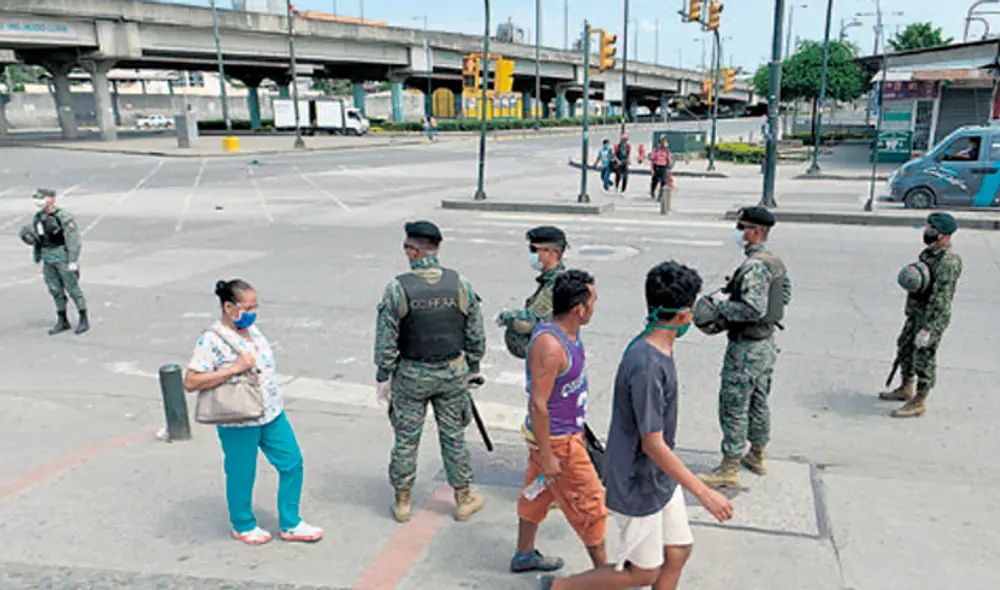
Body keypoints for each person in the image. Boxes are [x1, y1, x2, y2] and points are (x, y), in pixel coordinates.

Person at [538, 261, 734, 590]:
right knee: (643, 573)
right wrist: (703, 493)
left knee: (678, 550)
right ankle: (559, 587)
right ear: (683, 315)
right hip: (636, 480)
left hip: (659, 474)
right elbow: (652, 443)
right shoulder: (647, 365)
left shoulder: (657, 346)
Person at [183, 279, 324, 545]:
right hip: (238, 417)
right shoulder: (211, 340)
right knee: (242, 472)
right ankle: (243, 524)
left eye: (255, 307)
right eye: (247, 308)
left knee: (292, 461)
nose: (252, 313)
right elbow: (191, 381)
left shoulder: (253, 331)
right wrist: (233, 369)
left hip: (271, 412)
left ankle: (291, 522)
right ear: (229, 307)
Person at [374, 220, 488, 523]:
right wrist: (473, 368)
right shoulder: (460, 284)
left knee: (406, 439)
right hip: (452, 373)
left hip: (411, 375)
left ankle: (402, 502)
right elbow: (475, 334)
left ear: (413, 251)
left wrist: (383, 375)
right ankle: (463, 499)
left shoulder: (397, 288)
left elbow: (386, 340)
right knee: (454, 437)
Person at [512, 270, 608, 575]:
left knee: (538, 493)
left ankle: (524, 554)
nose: (595, 307)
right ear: (579, 308)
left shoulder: (569, 333)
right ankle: (604, 575)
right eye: (593, 301)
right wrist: (548, 454)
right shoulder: (550, 346)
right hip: (558, 442)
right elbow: (538, 404)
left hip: (564, 435)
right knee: (591, 504)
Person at [699, 206, 791, 489]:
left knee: (734, 405)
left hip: (746, 349)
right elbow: (785, 295)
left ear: (756, 232)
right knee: (758, 401)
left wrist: (720, 307)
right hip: (766, 344)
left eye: (742, 227)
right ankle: (757, 454)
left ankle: (729, 467)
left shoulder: (754, 266)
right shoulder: (774, 262)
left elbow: (753, 308)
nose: (739, 232)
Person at [879, 212, 962, 418]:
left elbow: (941, 298)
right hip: (916, 312)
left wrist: (928, 328)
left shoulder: (948, 262)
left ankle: (920, 400)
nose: (927, 231)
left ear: (943, 235)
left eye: (932, 229)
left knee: (924, 357)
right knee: (905, 346)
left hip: (931, 317)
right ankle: (906, 386)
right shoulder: (929, 253)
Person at [19, 188, 89, 335]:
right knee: (54, 289)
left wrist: (72, 259)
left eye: (42, 198)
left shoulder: (63, 217)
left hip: (61, 254)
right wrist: (34, 247)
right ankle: (62, 319)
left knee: (72, 288)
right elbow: (40, 238)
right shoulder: (39, 217)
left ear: (51, 199)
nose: (38, 202)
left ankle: (83, 317)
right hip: (47, 255)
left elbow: (73, 239)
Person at [497, 226, 569, 359]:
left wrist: (506, 317)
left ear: (552, 252)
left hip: (550, 358)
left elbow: (531, 320)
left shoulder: (556, 283)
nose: (531, 255)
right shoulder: (552, 280)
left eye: (534, 249)